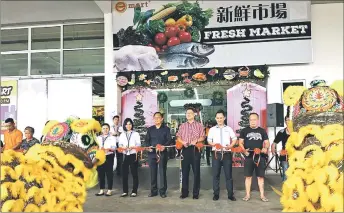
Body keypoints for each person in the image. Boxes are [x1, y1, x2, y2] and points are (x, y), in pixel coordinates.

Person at [239, 113, 270, 202]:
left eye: (254, 120)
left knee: (260, 177)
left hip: (260, 156)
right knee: (248, 176)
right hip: (249, 157)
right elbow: (240, 142)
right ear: (249, 121)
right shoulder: (244, 131)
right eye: (251, 120)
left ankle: (262, 195)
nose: (252, 122)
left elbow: (267, 142)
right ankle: (247, 195)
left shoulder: (262, 131)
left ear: (257, 120)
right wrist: (244, 150)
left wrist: (265, 147)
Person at [207, 110, 237, 201]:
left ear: (224, 118)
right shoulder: (212, 129)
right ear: (215, 119)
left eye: (221, 118)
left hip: (227, 154)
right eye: (218, 118)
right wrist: (213, 145)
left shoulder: (229, 129)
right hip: (216, 154)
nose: (219, 119)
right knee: (216, 175)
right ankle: (216, 194)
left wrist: (231, 146)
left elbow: (234, 138)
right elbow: (209, 140)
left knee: (229, 175)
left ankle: (230, 195)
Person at [176, 107, 205, 199]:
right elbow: (178, 137)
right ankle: (184, 192)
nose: (188, 114)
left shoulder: (199, 125)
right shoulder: (182, 126)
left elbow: (203, 137)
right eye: (187, 113)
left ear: (194, 114)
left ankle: (195, 193)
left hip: (195, 150)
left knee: (196, 172)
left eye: (190, 113)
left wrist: (196, 140)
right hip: (185, 150)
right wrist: (182, 142)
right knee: (185, 172)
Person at [145, 112, 172, 198]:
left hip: (162, 153)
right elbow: (147, 140)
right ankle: (153, 191)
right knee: (153, 172)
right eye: (155, 118)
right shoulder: (150, 129)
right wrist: (147, 146)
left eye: (158, 117)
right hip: (152, 153)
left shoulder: (166, 129)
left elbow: (169, 140)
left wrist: (164, 146)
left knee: (162, 172)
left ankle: (163, 191)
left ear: (162, 119)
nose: (156, 119)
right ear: (153, 119)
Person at [118, 118, 141, 197]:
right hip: (125, 155)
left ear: (132, 125)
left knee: (134, 173)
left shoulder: (136, 134)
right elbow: (120, 145)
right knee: (124, 174)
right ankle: (125, 191)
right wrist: (122, 147)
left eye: (130, 124)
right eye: (127, 124)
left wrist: (133, 147)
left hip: (133, 155)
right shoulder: (122, 134)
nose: (128, 126)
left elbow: (138, 144)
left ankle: (134, 191)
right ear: (124, 125)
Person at [95, 123, 117, 196]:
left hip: (109, 156)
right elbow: (96, 147)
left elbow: (114, 147)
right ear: (101, 130)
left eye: (107, 128)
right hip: (100, 157)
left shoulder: (112, 137)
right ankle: (101, 190)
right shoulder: (98, 138)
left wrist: (109, 150)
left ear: (109, 129)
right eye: (104, 128)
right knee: (101, 174)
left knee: (109, 174)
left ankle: (109, 190)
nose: (105, 130)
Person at [271, 116, 290, 182]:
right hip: (285, 155)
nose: (289, 121)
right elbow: (274, 143)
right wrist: (273, 150)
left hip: (295, 154)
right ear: (285, 122)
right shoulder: (281, 132)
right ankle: (285, 187)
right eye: (287, 120)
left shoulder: (297, 131)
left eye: (290, 120)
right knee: (286, 171)